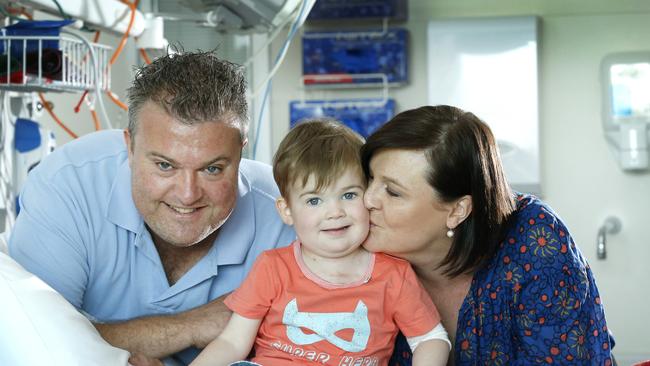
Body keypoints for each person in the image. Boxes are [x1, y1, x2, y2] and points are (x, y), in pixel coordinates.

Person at [8, 50, 295, 365]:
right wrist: (190, 326)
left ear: (241, 153)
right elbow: (25, 340)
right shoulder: (68, 185)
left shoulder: (290, 217)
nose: (187, 195)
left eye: (212, 169)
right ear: (129, 147)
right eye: (164, 165)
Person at [360, 105, 615, 365]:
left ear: (458, 210)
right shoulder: (343, 245)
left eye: (392, 192)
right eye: (369, 179)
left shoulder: (535, 238)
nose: (367, 199)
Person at [190, 119, 451, 366]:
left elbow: (431, 338)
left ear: (368, 196)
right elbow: (232, 342)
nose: (335, 212)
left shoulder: (394, 274)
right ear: (287, 211)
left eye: (348, 195)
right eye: (314, 200)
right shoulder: (273, 267)